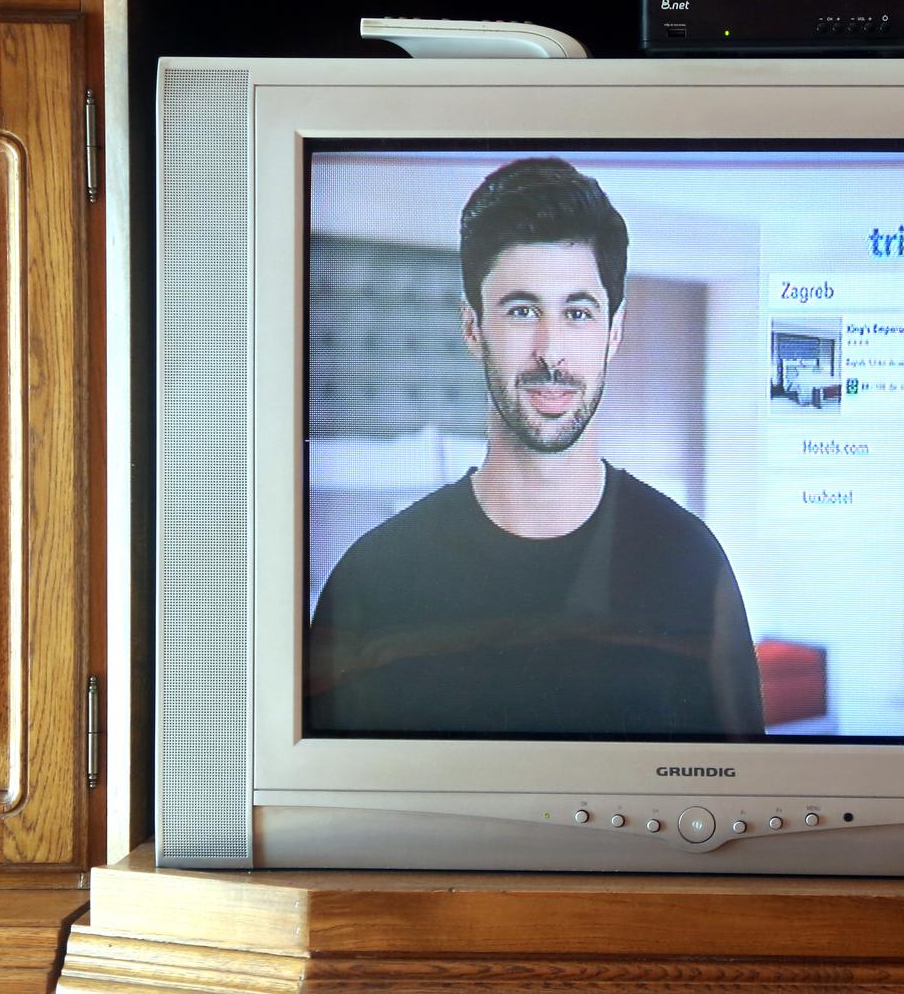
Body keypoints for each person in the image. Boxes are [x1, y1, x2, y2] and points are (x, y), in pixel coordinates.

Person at [307, 157, 765, 738]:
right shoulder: (372, 579)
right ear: (473, 329)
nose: (551, 351)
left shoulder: (691, 560)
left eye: (578, 312)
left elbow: (737, 779)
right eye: (522, 311)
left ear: (614, 332)